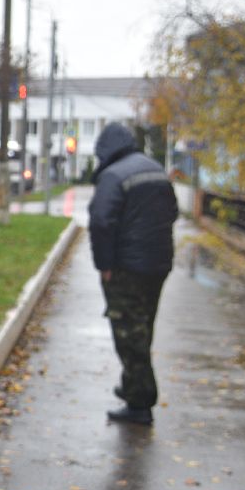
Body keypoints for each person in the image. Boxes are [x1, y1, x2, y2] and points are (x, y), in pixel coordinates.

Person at [88, 122, 179, 425]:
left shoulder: (113, 176)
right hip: (159, 265)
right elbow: (173, 212)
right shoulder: (154, 169)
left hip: (128, 268)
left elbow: (101, 222)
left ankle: (140, 404)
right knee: (143, 329)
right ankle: (132, 387)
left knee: (128, 335)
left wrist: (105, 265)